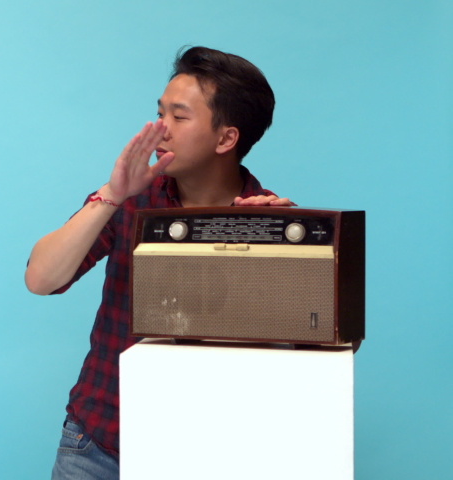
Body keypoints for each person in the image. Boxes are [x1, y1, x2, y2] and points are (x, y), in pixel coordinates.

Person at [24, 46, 295, 480]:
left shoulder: (274, 222)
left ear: (226, 138)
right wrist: (111, 195)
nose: (158, 129)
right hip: (98, 446)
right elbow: (41, 278)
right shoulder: (131, 200)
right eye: (159, 112)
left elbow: (314, 349)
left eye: (178, 116)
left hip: (211, 456)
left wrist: (278, 252)